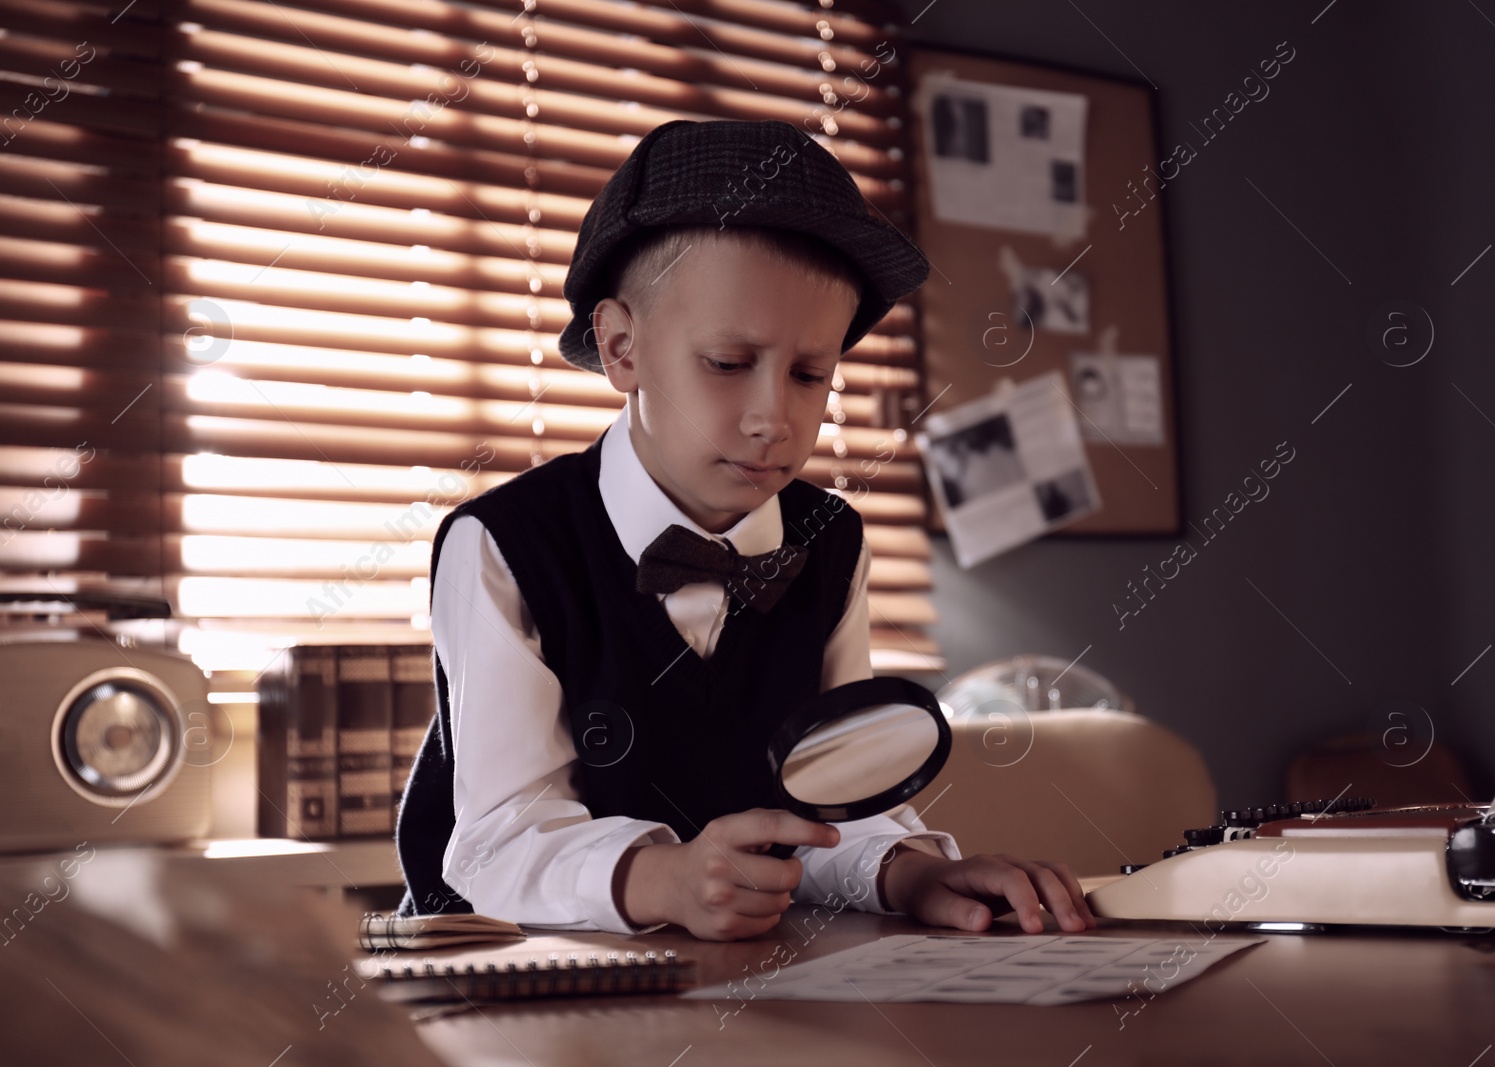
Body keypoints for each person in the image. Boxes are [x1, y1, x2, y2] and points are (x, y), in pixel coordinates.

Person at [395, 119, 1092, 941]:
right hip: (508, 974)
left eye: (810, 375)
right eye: (728, 363)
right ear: (621, 348)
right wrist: (662, 879)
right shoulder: (504, 543)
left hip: (744, 977)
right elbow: (497, 842)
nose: (773, 418)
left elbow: (833, 799)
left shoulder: (832, 540)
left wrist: (914, 874)